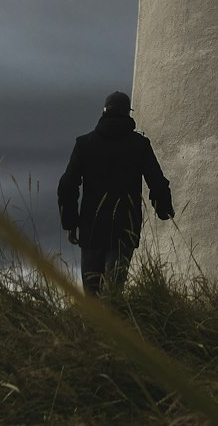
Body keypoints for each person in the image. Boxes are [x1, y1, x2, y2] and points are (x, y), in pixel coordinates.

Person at [57, 90, 174, 294]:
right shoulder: (139, 145)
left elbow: (67, 184)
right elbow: (157, 181)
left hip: (91, 229)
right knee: (113, 293)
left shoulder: (84, 144)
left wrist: (70, 223)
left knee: (92, 296)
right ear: (128, 113)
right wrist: (163, 209)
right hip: (124, 229)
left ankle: (92, 327)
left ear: (104, 111)